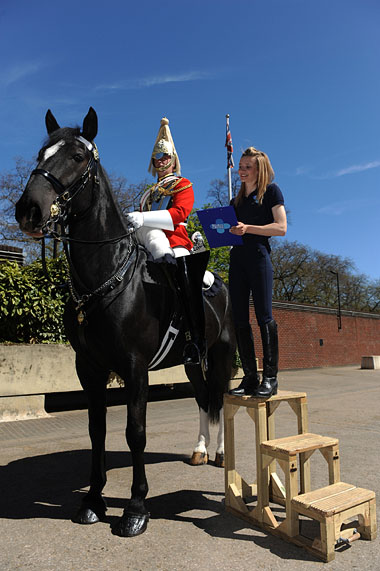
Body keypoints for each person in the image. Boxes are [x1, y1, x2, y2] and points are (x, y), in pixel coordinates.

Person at [126, 117, 208, 368]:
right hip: (147, 243)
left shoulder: (183, 184)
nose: (161, 161)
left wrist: (142, 217)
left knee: (187, 281)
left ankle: (195, 338)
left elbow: (179, 215)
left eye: (165, 157)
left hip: (175, 241)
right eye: (157, 158)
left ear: (173, 159)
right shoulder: (148, 193)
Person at [228, 147, 287, 398]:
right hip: (237, 260)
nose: (241, 171)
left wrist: (248, 228)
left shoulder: (271, 192)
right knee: (239, 319)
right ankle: (250, 377)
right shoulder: (236, 201)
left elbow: (281, 227)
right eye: (240, 167)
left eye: (246, 167)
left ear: (259, 170)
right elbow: (232, 230)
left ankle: (270, 377)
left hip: (259, 258)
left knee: (264, 316)